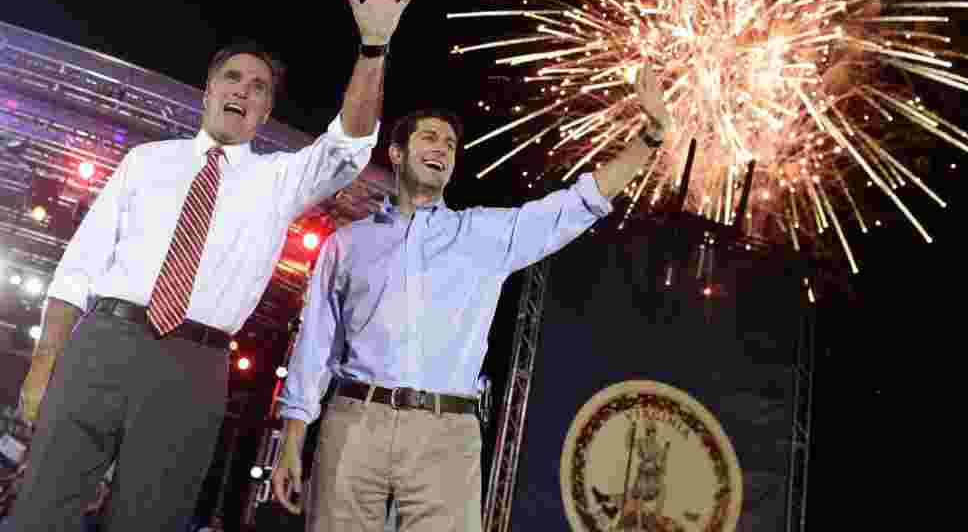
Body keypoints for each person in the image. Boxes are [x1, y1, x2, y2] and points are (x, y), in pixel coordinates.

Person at [11, 0, 417, 532]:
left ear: (265, 112)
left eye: (258, 88)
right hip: (101, 345)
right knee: (38, 513)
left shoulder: (280, 180)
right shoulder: (146, 162)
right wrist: (43, 367)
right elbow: (76, 270)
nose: (243, 90)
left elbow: (349, 145)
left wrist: (373, 48)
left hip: (194, 366)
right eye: (232, 78)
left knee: (147, 522)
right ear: (209, 92)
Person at [271, 66, 672, 531]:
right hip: (354, 423)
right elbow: (315, 345)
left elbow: (579, 204)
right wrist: (291, 440)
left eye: (450, 144)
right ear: (396, 154)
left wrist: (650, 137)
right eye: (429, 138)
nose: (442, 148)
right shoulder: (347, 243)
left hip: (446, 433)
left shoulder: (482, 233)